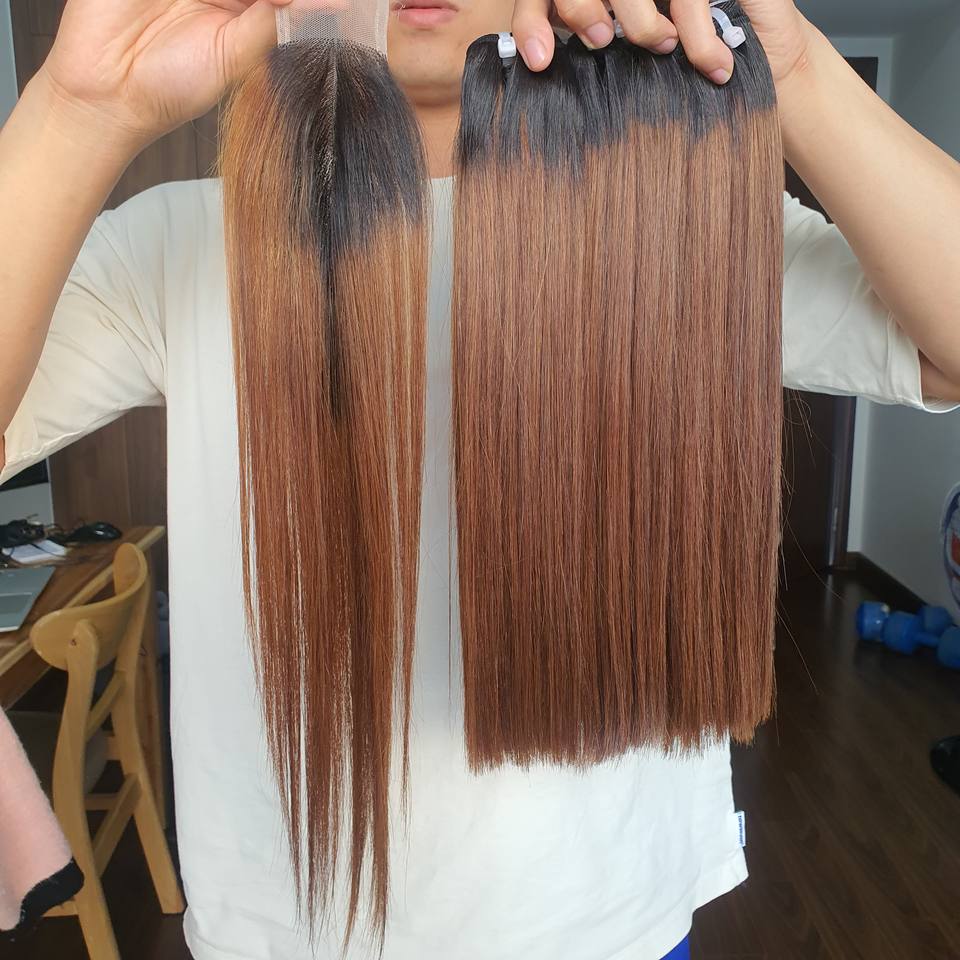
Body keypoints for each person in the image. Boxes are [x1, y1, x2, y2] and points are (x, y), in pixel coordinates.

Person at [2, 1, 959, 958]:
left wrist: (793, 68)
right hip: (284, 934)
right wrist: (79, 110)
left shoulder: (676, 213)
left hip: (612, 922)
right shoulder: (175, 244)